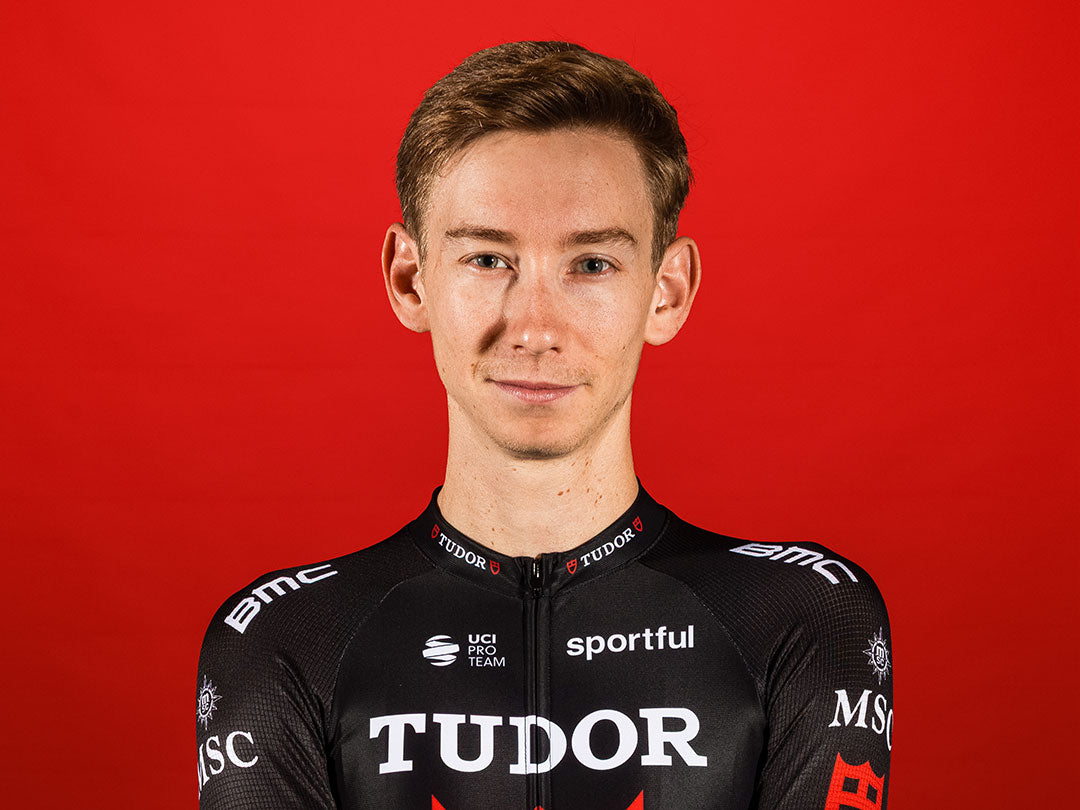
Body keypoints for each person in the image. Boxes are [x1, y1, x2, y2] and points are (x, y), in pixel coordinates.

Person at [195, 41, 893, 809]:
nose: (534, 328)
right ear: (410, 279)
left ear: (666, 292)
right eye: (488, 260)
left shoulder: (802, 615)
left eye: (591, 265)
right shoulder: (285, 637)